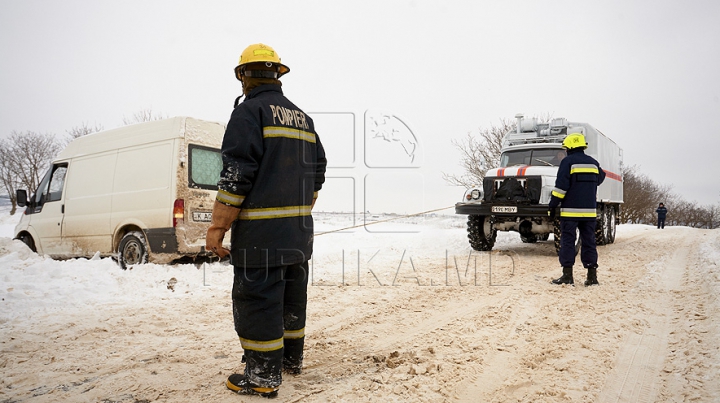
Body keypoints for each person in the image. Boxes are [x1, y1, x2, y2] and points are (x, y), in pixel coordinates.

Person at [205, 43, 327, 398]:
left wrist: (217, 228)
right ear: (278, 75)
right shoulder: (303, 119)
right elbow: (318, 171)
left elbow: (236, 176)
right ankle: (289, 360)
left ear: (244, 76)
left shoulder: (248, 114)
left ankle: (261, 376)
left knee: (258, 301)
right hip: (299, 236)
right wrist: (301, 207)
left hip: (260, 237)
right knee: (291, 298)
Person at [548, 133, 606, 286]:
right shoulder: (593, 163)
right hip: (589, 212)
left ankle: (567, 276)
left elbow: (560, 187)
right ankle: (592, 277)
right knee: (589, 242)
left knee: (568, 242)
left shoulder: (567, 162)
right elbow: (601, 178)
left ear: (570, 148)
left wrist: (552, 206)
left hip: (570, 213)